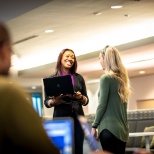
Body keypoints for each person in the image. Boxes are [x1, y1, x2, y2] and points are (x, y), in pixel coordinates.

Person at [0, 22, 60, 154]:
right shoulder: (7, 92)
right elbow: (44, 150)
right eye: (10, 50)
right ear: (3, 51)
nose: (10, 60)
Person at [44, 48, 89, 154]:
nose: (70, 59)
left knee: (78, 149)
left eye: (73, 57)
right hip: (61, 119)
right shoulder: (52, 79)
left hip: (78, 118)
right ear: (60, 59)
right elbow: (47, 102)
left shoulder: (79, 78)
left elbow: (86, 100)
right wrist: (55, 101)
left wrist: (80, 97)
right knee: (64, 150)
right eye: (67, 56)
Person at [91, 45, 132, 154]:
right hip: (122, 131)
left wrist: (94, 125)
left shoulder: (106, 78)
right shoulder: (122, 80)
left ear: (106, 59)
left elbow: (102, 105)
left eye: (100, 58)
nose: (99, 61)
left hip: (108, 129)